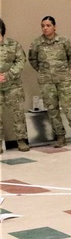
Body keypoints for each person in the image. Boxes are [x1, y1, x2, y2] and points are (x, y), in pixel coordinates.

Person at [29, 16, 71, 146]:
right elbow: (33, 60)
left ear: (54, 27)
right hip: (46, 81)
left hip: (64, 80)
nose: (45, 28)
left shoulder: (63, 41)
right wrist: (44, 72)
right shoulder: (37, 43)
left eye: (48, 25)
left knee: (68, 107)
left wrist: (63, 70)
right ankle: (60, 136)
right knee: (52, 109)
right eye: (43, 26)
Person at [0, 18, 29, 152]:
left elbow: (21, 61)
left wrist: (8, 75)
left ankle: (21, 140)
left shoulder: (13, 44)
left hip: (13, 85)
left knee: (18, 113)